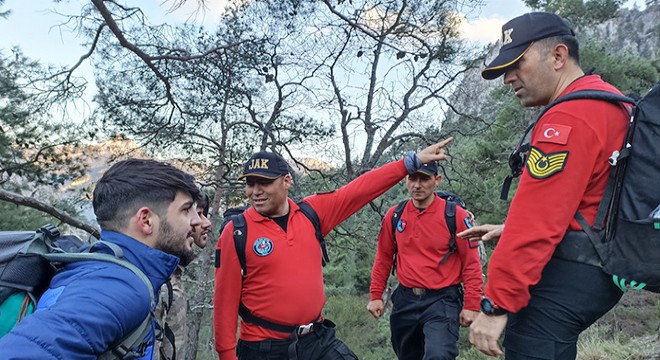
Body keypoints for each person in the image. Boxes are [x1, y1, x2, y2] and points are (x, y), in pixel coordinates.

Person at [464, 12, 630, 359]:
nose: (508, 78)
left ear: (557, 56)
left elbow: (538, 220)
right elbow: (591, 195)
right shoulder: (608, 102)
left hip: (573, 272)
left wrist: (496, 303)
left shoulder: (569, 117)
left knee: (532, 341)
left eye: (517, 64)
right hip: (602, 263)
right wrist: (510, 229)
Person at [213, 139, 453, 360]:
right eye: (250, 183)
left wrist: (409, 163)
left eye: (264, 183)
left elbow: (359, 191)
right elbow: (225, 301)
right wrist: (226, 354)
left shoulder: (310, 213)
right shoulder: (237, 232)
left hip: (315, 340)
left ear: (286, 181)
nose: (255, 191)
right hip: (264, 348)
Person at [0, 158, 202, 359]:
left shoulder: (100, 265)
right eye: (185, 210)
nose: (197, 221)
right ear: (146, 220)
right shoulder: (118, 287)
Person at [367, 161, 483, 360]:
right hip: (405, 299)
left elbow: (471, 263)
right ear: (406, 180)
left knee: (438, 355)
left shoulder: (455, 215)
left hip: (443, 300)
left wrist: (472, 304)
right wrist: (376, 295)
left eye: (424, 179)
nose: (417, 185)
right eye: (413, 178)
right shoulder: (395, 215)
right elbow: (384, 257)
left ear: (436, 180)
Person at [155, 193, 213, 360]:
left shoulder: (173, 273)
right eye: (198, 213)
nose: (206, 223)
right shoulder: (159, 284)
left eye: (202, 214)